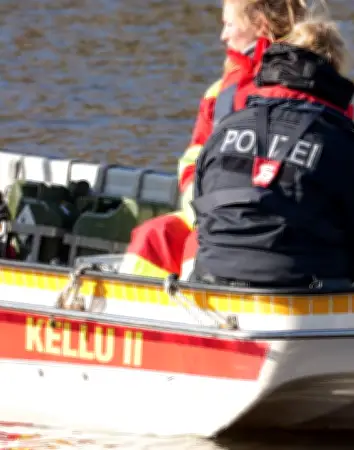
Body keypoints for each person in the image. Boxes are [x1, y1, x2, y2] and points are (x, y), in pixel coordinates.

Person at [118, 0, 325, 279]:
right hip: (212, 213)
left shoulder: (306, 87)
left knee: (202, 247)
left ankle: (200, 314)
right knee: (152, 238)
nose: (222, 36)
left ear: (260, 25)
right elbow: (195, 155)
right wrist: (201, 203)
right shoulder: (220, 92)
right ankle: (132, 313)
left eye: (229, 24)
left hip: (275, 219)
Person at [187, 11, 354, 288]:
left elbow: (200, 206)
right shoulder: (341, 141)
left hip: (213, 278)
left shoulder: (226, 128)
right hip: (302, 287)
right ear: (334, 72)